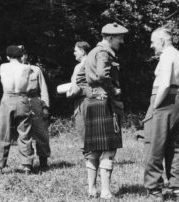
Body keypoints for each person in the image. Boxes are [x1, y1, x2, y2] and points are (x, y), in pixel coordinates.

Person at [77, 22, 128, 199]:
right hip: (105, 103)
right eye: (120, 38)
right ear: (110, 38)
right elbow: (101, 75)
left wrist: (90, 92)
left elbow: (80, 78)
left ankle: (91, 190)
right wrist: (112, 90)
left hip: (92, 102)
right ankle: (106, 191)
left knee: (93, 149)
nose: (122, 41)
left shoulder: (91, 52)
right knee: (108, 147)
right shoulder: (104, 53)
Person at [142, 27, 179, 202]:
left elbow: (163, 84)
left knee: (154, 146)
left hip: (163, 100)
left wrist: (155, 106)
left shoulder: (166, 56)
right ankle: (178, 190)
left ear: (162, 41)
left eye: (153, 42)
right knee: (174, 145)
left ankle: (155, 191)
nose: (151, 46)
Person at [0, 45, 33, 174]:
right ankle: (27, 165)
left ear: (7, 56)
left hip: (7, 98)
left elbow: (4, 81)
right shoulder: (27, 68)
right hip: (22, 99)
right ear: (21, 56)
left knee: (3, 132)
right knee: (24, 132)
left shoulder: (3, 67)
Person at [22, 49, 51, 172]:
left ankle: (43, 163)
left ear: (26, 55)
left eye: (23, 54)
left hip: (35, 102)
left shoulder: (36, 70)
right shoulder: (13, 70)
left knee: (41, 133)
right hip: (21, 102)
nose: (21, 57)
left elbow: (43, 89)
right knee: (24, 134)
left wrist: (45, 107)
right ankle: (27, 164)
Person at [66, 41, 90, 144]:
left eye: (76, 51)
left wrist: (69, 93)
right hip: (95, 99)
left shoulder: (80, 66)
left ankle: (89, 157)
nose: (74, 53)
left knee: (83, 128)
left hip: (82, 102)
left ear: (83, 51)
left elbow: (76, 88)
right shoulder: (94, 63)